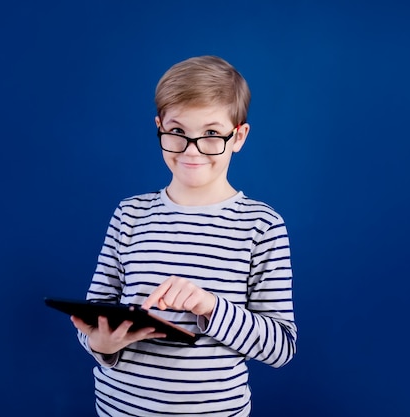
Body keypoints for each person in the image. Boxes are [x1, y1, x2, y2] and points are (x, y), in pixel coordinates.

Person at [71, 55, 297, 416]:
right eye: (177, 132)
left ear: (238, 136)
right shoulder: (130, 214)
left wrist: (210, 306)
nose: (192, 151)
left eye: (211, 134)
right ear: (160, 127)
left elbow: (281, 347)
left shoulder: (262, 226)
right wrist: (101, 344)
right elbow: (92, 319)